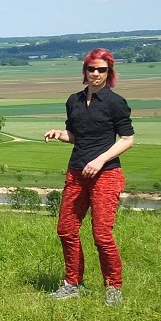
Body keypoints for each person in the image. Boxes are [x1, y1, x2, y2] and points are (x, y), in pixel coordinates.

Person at [44, 49, 134, 306]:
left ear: (109, 72)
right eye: (91, 68)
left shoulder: (115, 102)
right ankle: (73, 283)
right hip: (77, 172)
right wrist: (58, 134)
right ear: (84, 70)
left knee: (102, 235)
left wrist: (100, 160)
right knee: (66, 230)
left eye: (101, 69)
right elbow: (74, 135)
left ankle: (113, 287)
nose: (95, 73)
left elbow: (127, 140)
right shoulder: (74, 100)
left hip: (106, 174)